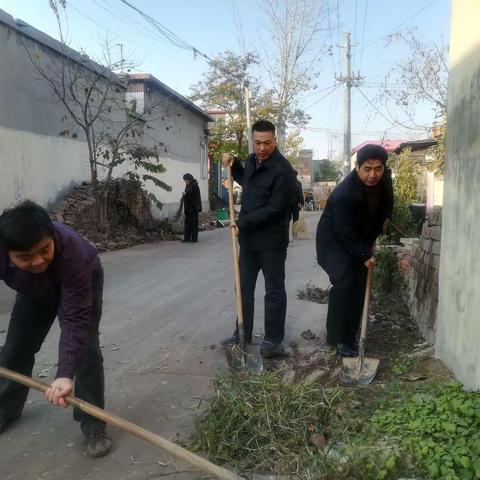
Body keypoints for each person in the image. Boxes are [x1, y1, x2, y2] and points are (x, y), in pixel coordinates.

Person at [0, 201, 111, 457]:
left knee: (86, 353)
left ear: (51, 235)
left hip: (81, 281)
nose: (38, 261)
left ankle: (93, 422)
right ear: (7, 254)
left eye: (44, 250)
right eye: (26, 257)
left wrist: (64, 374)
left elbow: (75, 319)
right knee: (16, 348)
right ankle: (5, 409)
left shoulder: (74, 255)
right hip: (31, 289)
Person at [221, 120, 296, 358]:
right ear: (252, 141)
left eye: (267, 143)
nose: (262, 148)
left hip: (272, 242)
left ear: (275, 141)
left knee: (274, 290)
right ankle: (242, 332)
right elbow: (250, 184)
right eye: (257, 143)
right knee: (243, 287)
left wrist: (241, 222)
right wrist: (235, 166)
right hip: (250, 241)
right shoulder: (253, 161)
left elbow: (274, 208)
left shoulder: (283, 170)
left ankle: (273, 340)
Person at [316, 144, 393, 357]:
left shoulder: (384, 180)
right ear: (357, 167)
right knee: (345, 284)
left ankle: (350, 336)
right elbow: (344, 231)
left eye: (378, 168)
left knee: (360, 286)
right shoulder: (344, 194)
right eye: (367, 168)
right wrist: (365, 254)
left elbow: (387, 204)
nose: (373, 174)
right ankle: (337, 339)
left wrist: (381, 225)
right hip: (334, 240)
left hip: (360, 237)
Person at [182, 173, 202, 243]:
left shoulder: (194, 185)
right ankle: (186, 238)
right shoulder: (188, 185)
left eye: (186, 180)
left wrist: (185, 194)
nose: (185, 182)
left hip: (193, 208)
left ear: (189, 179)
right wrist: (185, 194)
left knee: (193, 224)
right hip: (188, 208)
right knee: (187, 223)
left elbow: (193, 196)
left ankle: (194, 238)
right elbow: (187, 193)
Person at [289, 170, 305, 241]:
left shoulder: (287, 183)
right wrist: (302, 203)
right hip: (295, 204)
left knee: (287, 219)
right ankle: (294, 233)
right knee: (295, 219)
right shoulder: (298, 183)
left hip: (287, 204)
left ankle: (288, 234)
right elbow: (300, 194)